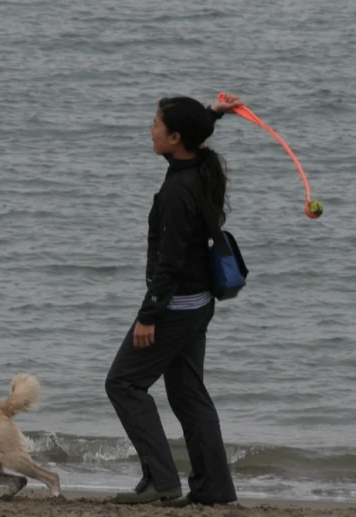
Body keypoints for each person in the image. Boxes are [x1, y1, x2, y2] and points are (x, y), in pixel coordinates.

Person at [105, 92, 244, 507]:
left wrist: (149, 316)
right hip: (199, 302)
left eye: (156, 125)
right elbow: (198, 142)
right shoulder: (198, 166)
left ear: (175, 137)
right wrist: (212, 114)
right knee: (187, 395)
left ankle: (161, 480)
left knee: (123, 383)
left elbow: (169, 265)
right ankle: (213, 490)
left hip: (175, 306)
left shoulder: (176, 194)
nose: (151, 130)